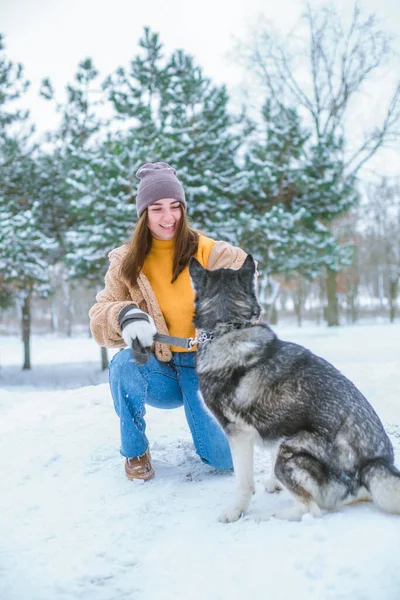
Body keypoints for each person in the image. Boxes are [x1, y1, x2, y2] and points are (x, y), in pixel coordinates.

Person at [89, 161, 248, 481]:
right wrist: (125, 315)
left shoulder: (204, 249)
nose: (168, 217)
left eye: (175, 207)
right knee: (123, 365)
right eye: (157, 208)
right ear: (143, 213)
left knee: (222, 460)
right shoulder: (126, 259)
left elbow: (245, 273)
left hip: (204, 366)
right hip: (159, 365)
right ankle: (135, 451)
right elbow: (100, 313)